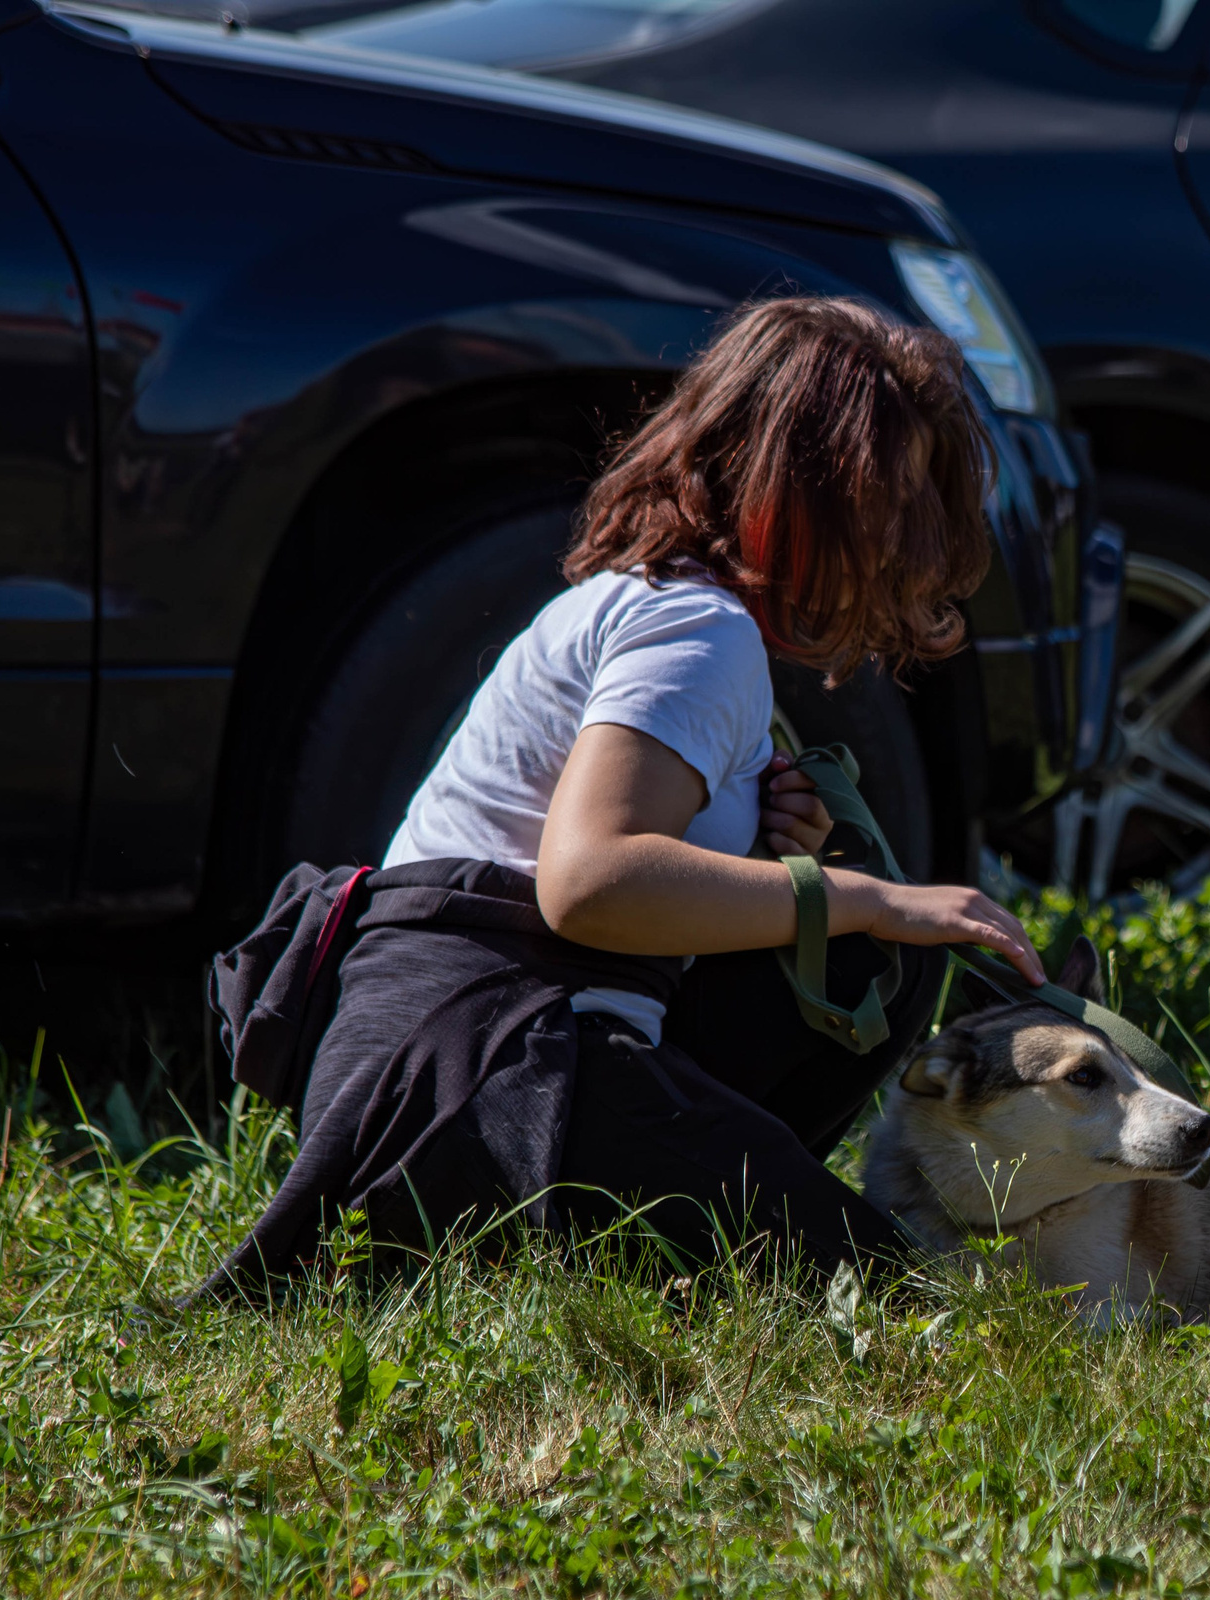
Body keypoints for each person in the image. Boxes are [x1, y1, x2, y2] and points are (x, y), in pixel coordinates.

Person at [196, 297, 1045, 1299]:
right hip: (486, 1066)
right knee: (883, 1293)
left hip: (434, 1063)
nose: (903, 543)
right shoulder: (701, 632)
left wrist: (775, 865)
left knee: (862, 962)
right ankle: (629, 1234)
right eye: (888, 501)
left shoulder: (648, 600)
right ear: (800, 484)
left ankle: (655, 1231)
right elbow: (589, 882)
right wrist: (868, 899)